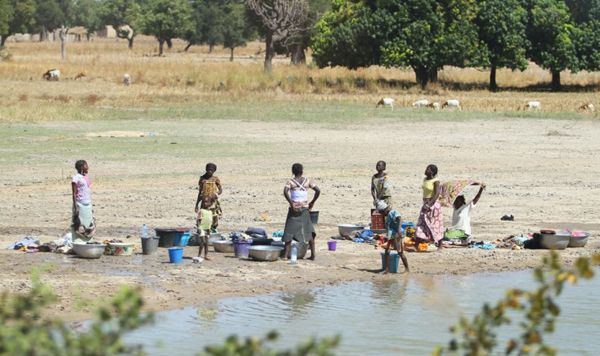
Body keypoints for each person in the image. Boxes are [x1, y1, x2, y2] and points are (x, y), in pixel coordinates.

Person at [283, 163, 320, 260]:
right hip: (304, 210)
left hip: (294, 210)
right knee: (309, 231)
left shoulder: (291, 182)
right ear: (302, 171)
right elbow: (318, 191)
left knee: (289, 231)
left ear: (293, 172)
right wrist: (312, 202)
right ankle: (313, 255)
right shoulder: (308, 181)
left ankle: (285, 255)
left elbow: (285, 191)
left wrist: (291, 203)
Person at [415, 164, 444, 247]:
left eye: (428, 169)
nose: (425, 170)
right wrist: (426, 204)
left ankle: (440, 244)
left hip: (433, 204)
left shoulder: (436, 181)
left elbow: (437, 194)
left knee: (436, 224)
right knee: (421, 222)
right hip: (425, 203)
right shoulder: (425, 179)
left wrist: (429, 205)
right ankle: (418, 242)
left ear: (432, 171)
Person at [377, 201, 409, 273]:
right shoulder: (388, 215)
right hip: (391, 235)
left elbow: (400, 219)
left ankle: (407, 269)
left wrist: (398, 230)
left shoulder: (393, 212)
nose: (382, 214)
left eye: (382, 212)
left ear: (385, 210)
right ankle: (387, 269)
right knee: (387, 251)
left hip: (397, 235)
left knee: (400, 252)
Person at [71, 160, 95, 241]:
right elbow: (74, 193)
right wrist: (75, 207)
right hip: (79, 204)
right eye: (86, 166)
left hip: (87, 204)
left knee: (88, 224)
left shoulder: (86, 178)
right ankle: (78, 242)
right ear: (81, 167)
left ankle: (87, 242)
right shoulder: (76, 178)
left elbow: (87, 190)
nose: (88, 167)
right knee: (79, 225)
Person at [195, 163, 222, 232]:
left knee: (214, 217)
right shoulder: (202, 179)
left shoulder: (215, 179)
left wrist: (216, 194)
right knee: (203, 217)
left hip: (213, 202)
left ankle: (213, 229)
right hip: (205, 202)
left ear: (214, 171)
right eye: (209, 170)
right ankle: (203, 231)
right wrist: (196, 204)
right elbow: (200, 192)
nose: (210, 171)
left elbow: (220, 190)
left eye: (212, 170)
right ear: (206, 169)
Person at [194, 194, 216, 262]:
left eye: (206, 202)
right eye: (203, 202)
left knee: (206, 243)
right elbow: (198, 220)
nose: (205, 203)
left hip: (207, 229)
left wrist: (210, 229)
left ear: (210, 203)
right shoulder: (201, 211)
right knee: (203, 242)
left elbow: (210, 221)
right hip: (202, 228)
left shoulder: (210, 212)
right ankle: (199, 255)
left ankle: (206, 255)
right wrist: (198, 228)